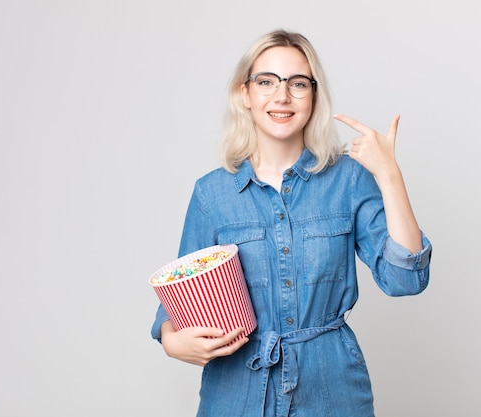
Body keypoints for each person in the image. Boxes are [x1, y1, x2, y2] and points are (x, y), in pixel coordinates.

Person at [151, 28, 432, 417]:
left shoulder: (348, 180)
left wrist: (389, 176)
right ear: (244, 94)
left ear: (313, 97)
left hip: (332, 390)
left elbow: (406, 280)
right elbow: (180, 296)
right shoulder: (211, 194)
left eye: (297, 83)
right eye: (266, 81)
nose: (281, 96)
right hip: (235, 394)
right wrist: (170, 339)